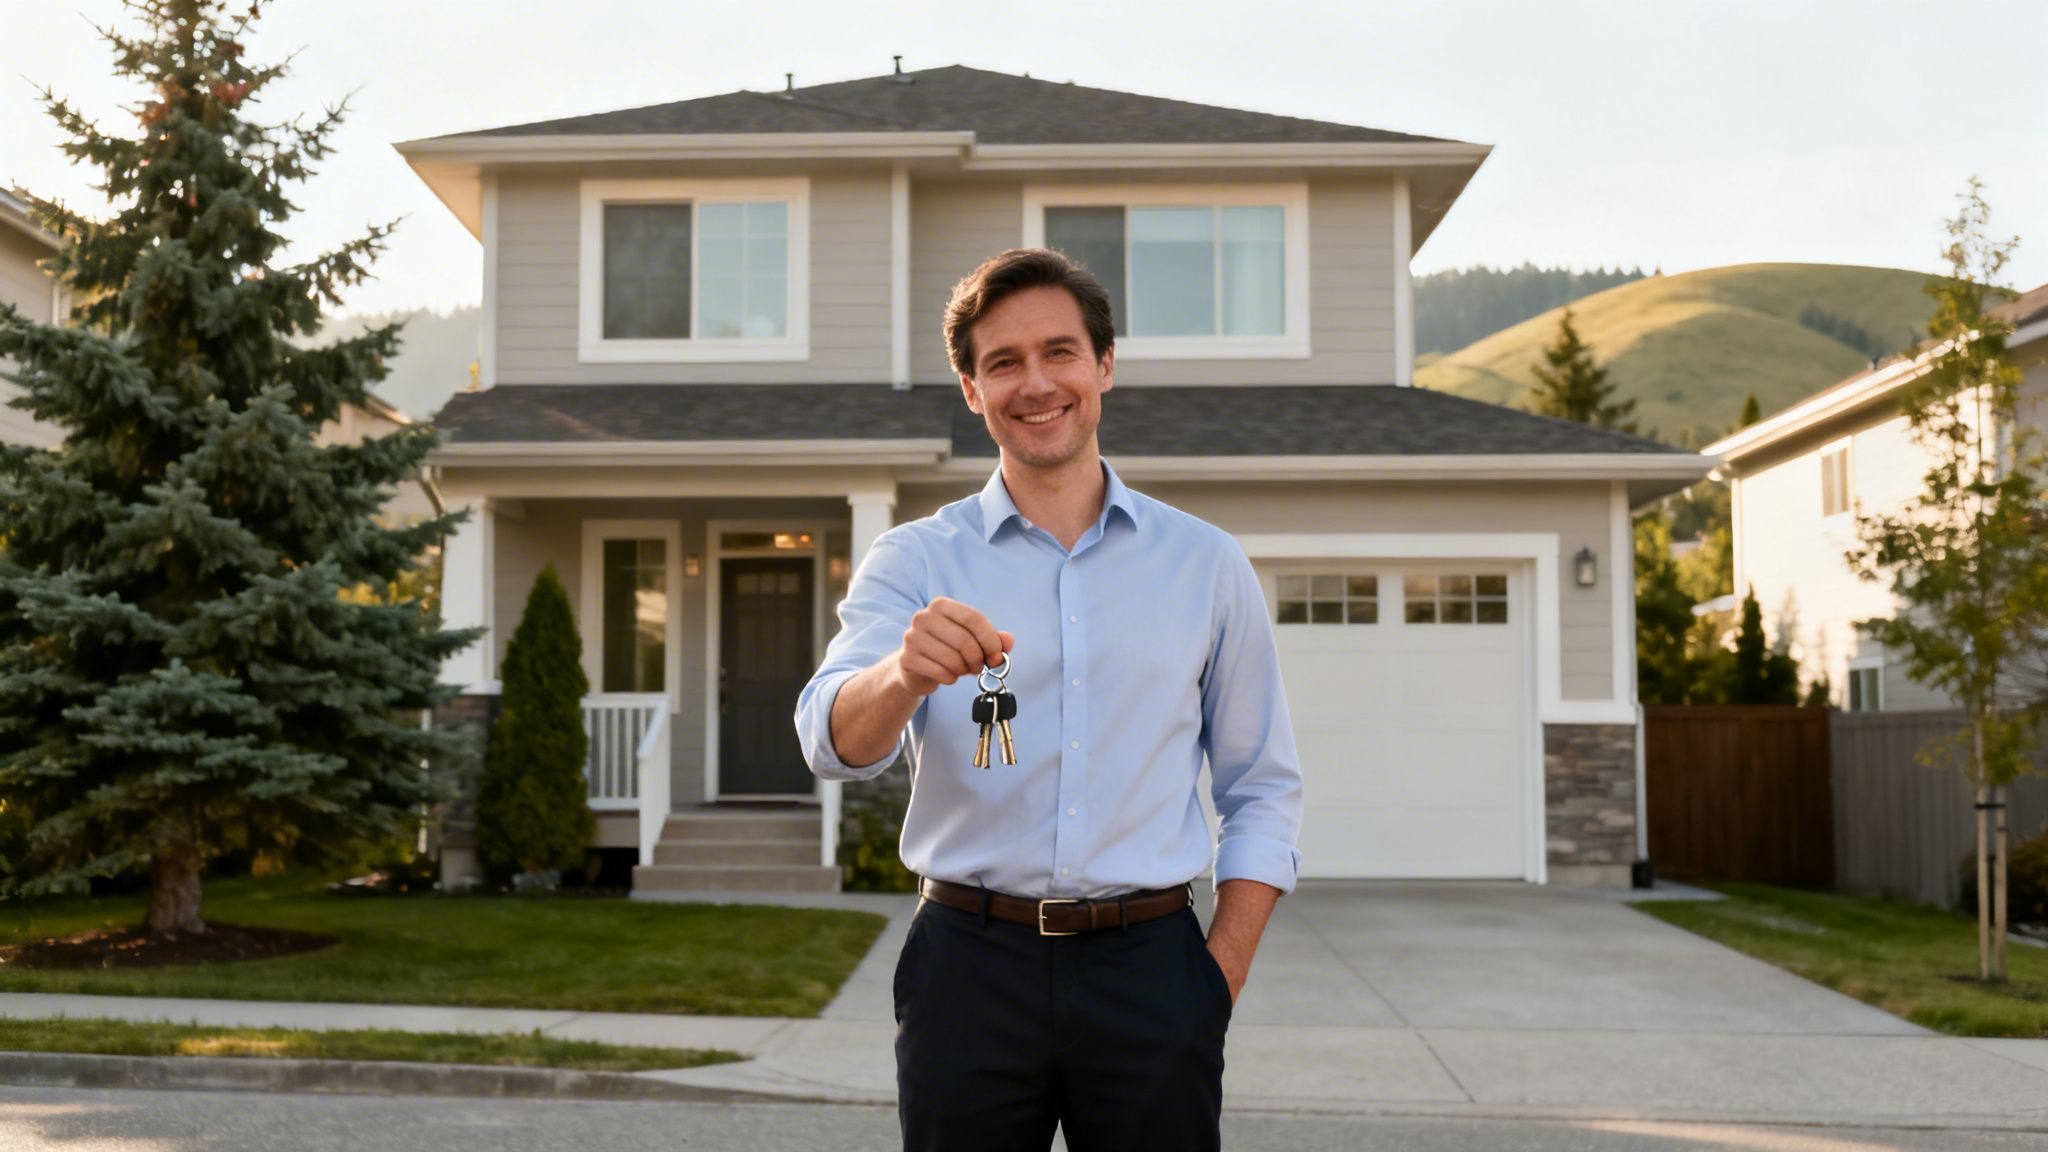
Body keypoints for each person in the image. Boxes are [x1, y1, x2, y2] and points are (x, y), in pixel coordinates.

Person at [795, 247, 1303, 1152]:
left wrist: (1211, 980)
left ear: (1103, 365)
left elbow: (1262, 788)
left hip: (1151, 969)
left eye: (1060, 353)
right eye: (1003, 363)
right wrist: (902, 674)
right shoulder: (914, 560)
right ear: (970, 388)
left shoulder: (1206, 565)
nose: (1036, 383)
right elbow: (832, 739)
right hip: (968, 968)